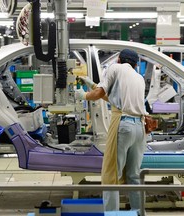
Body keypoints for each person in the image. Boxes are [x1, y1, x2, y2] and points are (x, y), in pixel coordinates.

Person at [75, 49, 147, 213]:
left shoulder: (115, 68)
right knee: (134, 176)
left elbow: (99, 94)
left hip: (123, 124)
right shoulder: (139, 78)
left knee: (110, 176)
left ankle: (111, 213)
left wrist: (84, 95)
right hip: (139, 128)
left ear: (119, 60)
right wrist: (93, 85)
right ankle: (138, 212)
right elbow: (115, 99)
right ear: (135, 64)